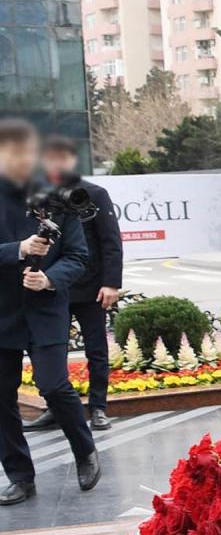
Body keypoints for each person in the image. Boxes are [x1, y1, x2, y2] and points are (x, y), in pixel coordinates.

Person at [0, 119, 99, 501]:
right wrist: (19, 250)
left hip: (46, 309)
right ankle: (20, 476)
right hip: (4, 312)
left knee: (55, 387)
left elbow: (78, 256)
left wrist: (50, 279)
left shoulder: (58, 198)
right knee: (1, 396)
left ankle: (85, 451)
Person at [23, 136, 118, 433]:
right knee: (53, 350)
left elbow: (110, 242)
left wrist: (111, 283)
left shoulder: (94, 193)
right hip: (52, 287)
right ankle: (56, 409)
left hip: (90, 287)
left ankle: (99, 407)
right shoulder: (37, 196)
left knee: (96, 349)